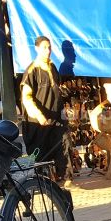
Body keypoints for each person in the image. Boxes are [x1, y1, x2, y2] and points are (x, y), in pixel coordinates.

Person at [20, 35, 70, 184]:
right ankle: (42, 182)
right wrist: (39, 115)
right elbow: (26, 98)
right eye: (44, 48)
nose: (48, 51)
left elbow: (57, 91)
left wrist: (63, 111)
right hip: (39, 121)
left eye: (49, 47)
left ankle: (64, 177)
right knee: (41, 151)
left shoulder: (53, 67)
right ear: (37, 49)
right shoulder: (32, 71)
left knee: (63, 143)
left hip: (56, 117)